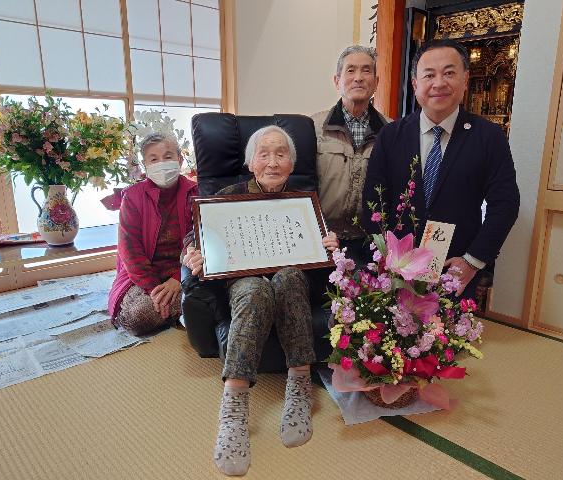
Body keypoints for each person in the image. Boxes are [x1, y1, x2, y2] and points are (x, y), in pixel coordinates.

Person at [182, 126, 339, 476]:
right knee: (255, 289)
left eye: (281, 154)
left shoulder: (305, 202)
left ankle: (299, 386)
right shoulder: (227, 195)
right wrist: (192, 254)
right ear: (251, 162)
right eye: (264, 154)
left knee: (287, 277)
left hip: (292, 281)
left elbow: (324, 256)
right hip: (244, 280)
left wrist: (332, 248)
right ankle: (234, 408)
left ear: (292, 163)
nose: (272, 162)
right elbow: (192, 239)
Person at [362, 39, 520, 300]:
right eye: (429, 75)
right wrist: (383, 258)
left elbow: (505, 204)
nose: (439, 83)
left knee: (449, 340)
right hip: (396, 273)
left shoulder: (489, 137)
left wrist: (473, 261)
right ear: (415, 85)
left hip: (454, 274)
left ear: (465, 79)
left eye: (449, 73)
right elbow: (372, 203)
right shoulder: (391, 135)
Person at [108, 133, 197, 335]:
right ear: (145, 165)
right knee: (137, 317)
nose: (162, 164)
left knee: (211, 292)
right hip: (143, 276)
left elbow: (199, 240)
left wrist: (178, 279)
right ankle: (184, 310)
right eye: (154, 159)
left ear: (180, 160)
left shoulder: (196, 193)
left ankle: (185, 307)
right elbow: (129, 250)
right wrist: (155, 290)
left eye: (168, 157)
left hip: (184, 273)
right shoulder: (132, 197)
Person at [311, 45, 389, 264]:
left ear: (376, 82)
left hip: (369, 242)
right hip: (323, 238)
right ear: (337, 81)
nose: (359, 78)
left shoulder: (391, 131)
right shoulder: (313, 127)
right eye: (351, 70)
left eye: (366, 71)